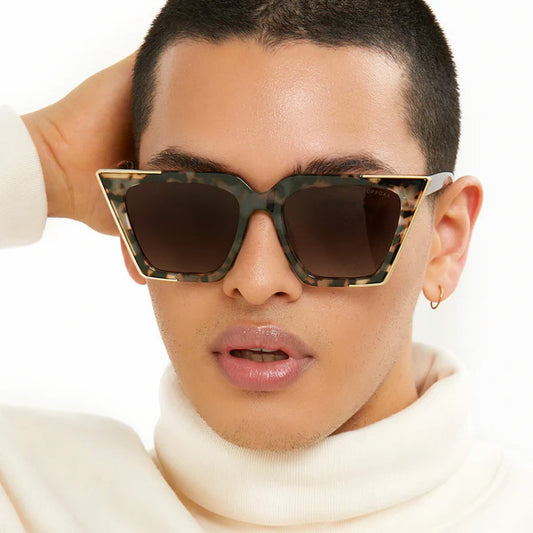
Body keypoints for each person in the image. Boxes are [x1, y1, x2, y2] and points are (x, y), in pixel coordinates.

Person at [1, 0, 532, 531]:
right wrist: (47, 159)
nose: (256, 282)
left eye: (338, 216)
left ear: (444, 243)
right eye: (190, 210)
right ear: (130, 226)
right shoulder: (29, 499)